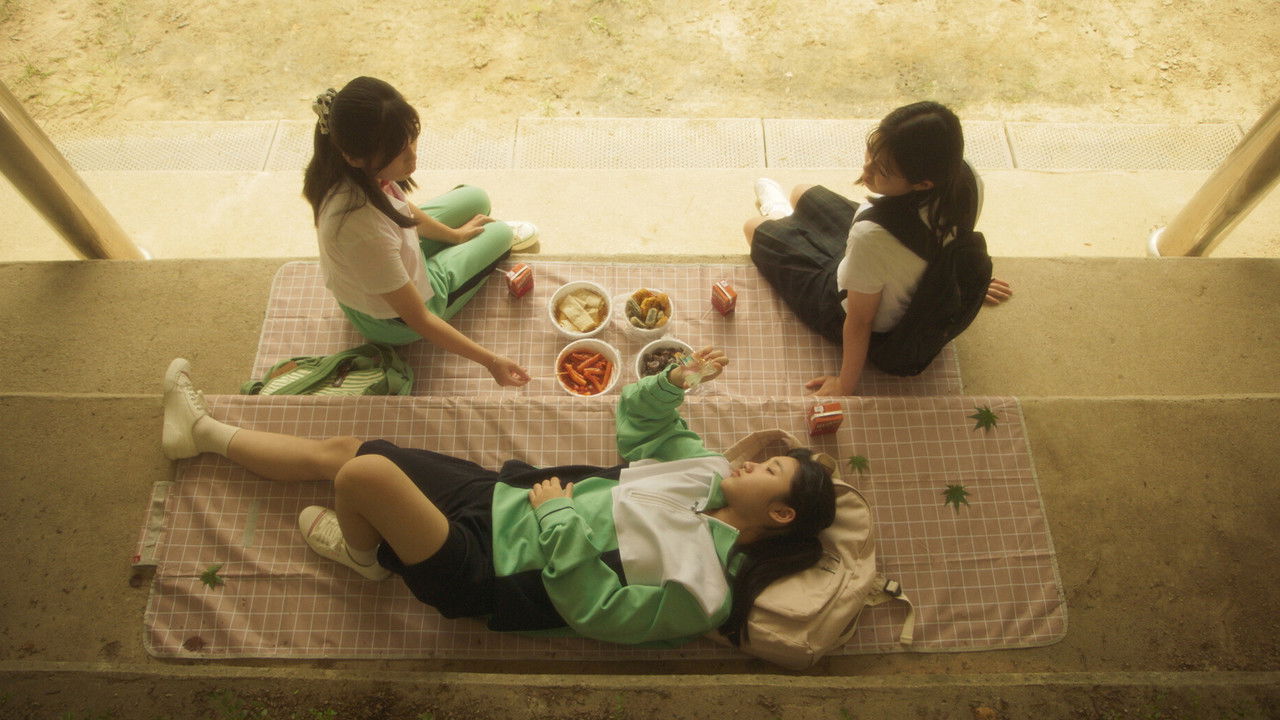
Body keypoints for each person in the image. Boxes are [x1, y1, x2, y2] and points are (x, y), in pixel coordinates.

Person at [160, 350, 836, 648]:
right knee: (347, 449)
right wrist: (672, 384)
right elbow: (640, 424)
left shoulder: (705, 590)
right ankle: (203, 434)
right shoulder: (706, 470)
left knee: (364, 477)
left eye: (770, 468)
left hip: (487, 571)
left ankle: (364, 559)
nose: (751, 460)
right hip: (502, 499)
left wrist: (560, 517)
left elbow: (599, 615)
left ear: (780, 513)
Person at [743, 101, 1013, 396]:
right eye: (872, 152)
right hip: (884, 261)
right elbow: (952, 241)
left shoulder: (872, 236)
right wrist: (960, 282)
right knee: (802, 192)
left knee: (753, 227)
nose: (867, 169)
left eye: (883, 169)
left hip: (845, 301)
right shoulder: (966, 179)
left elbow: (860, 320)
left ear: (923, 184)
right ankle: (787, 222)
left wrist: (844, 384)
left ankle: (778, 215)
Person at [303, 76, 533, 388]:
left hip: (389, 261)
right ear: (354, 157)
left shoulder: (351, 169)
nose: (412, 157)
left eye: (411, 140)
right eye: (397, 153)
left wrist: (454, 235)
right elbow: (420, 319)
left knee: (476, 198)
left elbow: (401, 209)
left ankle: (453, 247)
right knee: (501, 233)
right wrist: (491, 361)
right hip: (394, 320)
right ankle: (455, 264)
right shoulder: (360, 229)